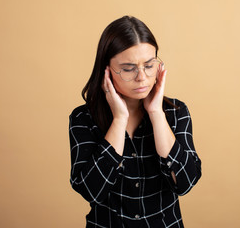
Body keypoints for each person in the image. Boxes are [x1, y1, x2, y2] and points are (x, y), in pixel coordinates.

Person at [69, 16, 202, 228]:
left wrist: (156, 113)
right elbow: (90, 190)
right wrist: (119, 120)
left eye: (149, 65)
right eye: (129, 68)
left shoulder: (177, 113)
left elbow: (185, 184)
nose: (142, 77)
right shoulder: (83, 118)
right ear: (106, 70)